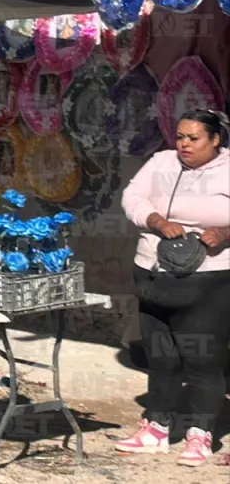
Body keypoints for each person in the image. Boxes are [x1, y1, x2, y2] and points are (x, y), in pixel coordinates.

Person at [116, 109, 230, 467]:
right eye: (180, 136)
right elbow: (132, 198)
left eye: (193, 138)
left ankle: (200, 434)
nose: (184, 144)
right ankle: (156, 428)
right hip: (152, 271)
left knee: (201, 358)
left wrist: (225, 233)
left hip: (207, 278)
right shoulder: (161, 163)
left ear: (215, 139)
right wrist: (156, 220)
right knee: (160, 355)